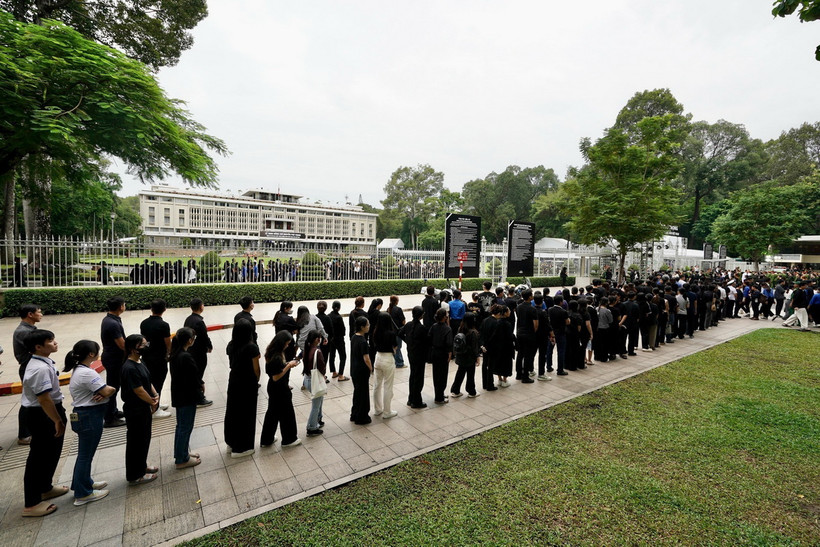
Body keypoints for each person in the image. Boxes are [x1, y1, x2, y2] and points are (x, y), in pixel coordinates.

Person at [20, 329, 67, 517]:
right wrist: (56, 420)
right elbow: (44, 399)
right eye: (50, 341)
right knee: (38, 457)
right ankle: (31, 504)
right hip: (41, 414)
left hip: (47, 411)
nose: (55, 343)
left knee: (52, 452)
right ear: (38, 347)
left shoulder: (42, 362)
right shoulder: (38, 369)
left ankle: (45, 488)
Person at [66, 340, 113, 506]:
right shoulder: (87, 373)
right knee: (85, 456)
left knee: (85, 454)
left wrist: (103, 391)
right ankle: (83, 493)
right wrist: (110, 390)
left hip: (86, 415)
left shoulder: (81, 370)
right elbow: (107, 390)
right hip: (89, 416)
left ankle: (83, 483)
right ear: (91, 354)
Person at [120, 334, 159, 485]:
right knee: (136, 442)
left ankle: (142, 466)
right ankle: (135, 475)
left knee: (143, 439)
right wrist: (152, 402)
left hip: (143, 407)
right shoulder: (129, 368)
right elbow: (138, 390)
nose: (145, 347)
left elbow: (147, 382)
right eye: (142, 344)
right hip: (135, 409)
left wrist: (155, 395)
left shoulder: (139, 362)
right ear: (133, 348)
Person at [224, 319, 260, 458]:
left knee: (233, 411)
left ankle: (231, 442)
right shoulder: (251, 347)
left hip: (234, 379)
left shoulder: (231, 345)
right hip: (247, 381)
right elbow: (256, 368)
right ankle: (242, 447)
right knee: (247, 413)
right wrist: (256, 379)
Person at [260, 331, 301, 448]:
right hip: (279, 389)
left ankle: (266, 439)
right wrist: (288, 366)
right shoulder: (277, 356)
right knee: (287, 414)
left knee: (272, 414)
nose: (287, 346)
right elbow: (276, 376)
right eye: (287, 343)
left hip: (273, 388)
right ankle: (289, 439)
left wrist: (287, 363)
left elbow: (275, 370)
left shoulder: (271, 352)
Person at [169, 327, 202, 469]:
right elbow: (193, 377)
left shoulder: (175, 354)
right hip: (187, 396)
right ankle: (182, 459)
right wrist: (200, 386)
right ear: (189, 340)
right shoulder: (185, 356)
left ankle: (182, 453)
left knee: (181, 426)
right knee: (185, 427)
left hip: (179, 394)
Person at [13, 303, 42, 445]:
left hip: (32, 367)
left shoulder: (29, 329)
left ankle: (31, 429)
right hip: (28, 368)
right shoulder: (23, 331)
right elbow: (37, 349)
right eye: (39, 312)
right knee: (28, 401)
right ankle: (23, 435)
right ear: (30, 314)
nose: (41, 314)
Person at [140, 299, 173, 419]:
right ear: (164, 309)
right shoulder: (163, 325)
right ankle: (155, 408)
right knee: (158, 382)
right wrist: (169, 353)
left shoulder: (144, 323)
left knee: (150, 381)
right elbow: (168, 342)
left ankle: (155, 403)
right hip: (159, 359)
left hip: (147, 357)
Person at [100, 297, 127, 428]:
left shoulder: (111, 319)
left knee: (114, 385)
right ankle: (109, 418)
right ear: (120, 307)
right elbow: (122, 345)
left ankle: (113, 411)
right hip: (114, 359)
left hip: (112, 357)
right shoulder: (112, 323)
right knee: (113, 387)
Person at [184, 298, 213, 407]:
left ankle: (195, 395)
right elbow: (204, 336)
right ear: (201, 307)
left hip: (190, 350)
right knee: (198, 373)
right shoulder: (199, 322)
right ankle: (199, 398)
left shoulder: (188, 319)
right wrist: (209, 346)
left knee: (194, 373)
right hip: (199, 351)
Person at [398, 306, 428, 408]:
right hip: (419, 355)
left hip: (411, 353)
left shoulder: (408, 325)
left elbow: (400, 333)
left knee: (413, 375)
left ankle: (411, 399)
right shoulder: (422, 328)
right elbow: (427, 342)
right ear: (421, 316)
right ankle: (416, 401)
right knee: (418, 378)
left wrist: (408, 342)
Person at [372, 311, 398, 419]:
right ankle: (387, 411)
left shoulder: (375, 331)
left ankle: (378, 409)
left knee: (377, 385)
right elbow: (395, 347)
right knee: (388, 386)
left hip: (378, 358)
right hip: (387, 358)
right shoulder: (391, 333)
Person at [450, 312, 481, 398]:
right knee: (470, 375)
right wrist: (477, 357)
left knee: (460, 373)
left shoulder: (460, 328)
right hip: (469, 357)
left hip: (461, 355)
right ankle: (471, 391)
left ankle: (455, 390)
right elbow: (475, 347)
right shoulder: (473, 332)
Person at [302, 330, 327, 436]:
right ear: (317, 339)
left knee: (319, 400)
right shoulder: (317, 351)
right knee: (316, 405)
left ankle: (319, 419)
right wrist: (324, 376)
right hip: (315, 381)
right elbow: (322, 367)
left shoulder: (306, 349)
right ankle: (311, 427)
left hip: (307, 379)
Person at [349, 316, 373, 425]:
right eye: (367, 325)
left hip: (354, 369)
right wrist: (371, 368)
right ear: (362, 327)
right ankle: (362, 416)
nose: (369, 326)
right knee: (363, 393)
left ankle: (354, 413)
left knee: (357, 392)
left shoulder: (354, 337)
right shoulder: (363, 341)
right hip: (362, 370)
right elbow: (366, 358)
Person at [428, 308, 453, 404]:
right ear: (444, 317)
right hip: (443, 353)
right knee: (442, 375)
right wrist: (450, 353)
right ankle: (439, 397)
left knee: (436, 374)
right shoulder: (447, 329)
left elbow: (429, 338)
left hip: (435, 352)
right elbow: (449, 343)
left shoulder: (433, 326)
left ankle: (439, 393)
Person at [514, 289, 538, 383]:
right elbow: (535, 325)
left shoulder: (519, 307)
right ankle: (525, 376)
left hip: (520, 332)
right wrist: (533, 332)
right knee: (528, 355)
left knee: (520, 354)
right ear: (529, 297)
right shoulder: (532, 309)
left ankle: (518, 374)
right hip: (528, 334)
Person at [491, 305, 515, 386]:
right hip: (506, 347)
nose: (510, 312)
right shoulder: (507, 324)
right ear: (505, 313)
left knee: (498, 362)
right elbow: (510, 337)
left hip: (497, 347)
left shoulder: (496, 322)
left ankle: (499, 379)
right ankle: (505, 380)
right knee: (506, 363)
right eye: (508, 311)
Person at [328, 301, 349, 381]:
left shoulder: (329, 316)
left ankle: (333, 372)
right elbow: (343, 330)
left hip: (331, 339)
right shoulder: (339, 317)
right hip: (339, 339)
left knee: (332, 355)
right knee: (343, 356)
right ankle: (341, 375)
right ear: (339, 308)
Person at [388, 295, 406, 368]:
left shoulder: (388, 309)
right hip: (398, 331)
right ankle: (399, 363)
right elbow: (403, 321)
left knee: (394, 347)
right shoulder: (398, 309)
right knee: (398, 347)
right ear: (396, 301)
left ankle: (395, 361)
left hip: (391, 331)